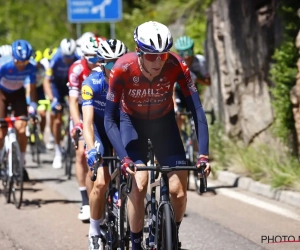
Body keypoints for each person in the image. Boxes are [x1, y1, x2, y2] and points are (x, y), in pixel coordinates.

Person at [104, 21, 211, 250]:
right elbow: (109, 118)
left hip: (164, 124)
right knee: (140, 183)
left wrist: (203, 155)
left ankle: (171, 235)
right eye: (152, 56)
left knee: (178, 191)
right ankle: (135, 243)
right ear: (140, 53)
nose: (159, 61)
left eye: (163, 55)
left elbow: (197, 110)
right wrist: (124, 159)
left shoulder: (177, 65)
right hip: (131, 122)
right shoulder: (122, 68)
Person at [82, 39, 127, 250]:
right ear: (101, 63)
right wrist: (91, 149)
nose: (114, 67)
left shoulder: (131, 79)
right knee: (101, 182)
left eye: (118, 62)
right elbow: (88, 123)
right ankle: (94, 231)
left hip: (122, 128)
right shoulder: (92, 83)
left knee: (139, 176)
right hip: (100, 131)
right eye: (110, 63)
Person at [68, 36, 102, 221]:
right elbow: (73, 102)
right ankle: (85, 202)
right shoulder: (76, 69)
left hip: (98, 109)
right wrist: (78, 124)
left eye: (97, 58)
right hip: (81, 111)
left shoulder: (103, 68)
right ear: (84, 57)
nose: (94, 62)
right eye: (90, 59)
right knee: (82, 153)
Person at [0, 39, 37, 181]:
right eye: (19, 62)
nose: (22, 65)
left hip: (18, 94)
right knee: (1, 133)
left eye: (25, 62)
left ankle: (21, 164)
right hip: (1, 94)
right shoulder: (3, 65)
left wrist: (32, 105)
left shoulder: (31, 67)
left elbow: (32, 89)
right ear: (13, 57)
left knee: (22, 128)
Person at [43, 38, 80, 169]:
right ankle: (58, 151)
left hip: (70, 85)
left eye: (70, 58)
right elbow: (47, 81)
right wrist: (53, 99)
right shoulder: (56, 58)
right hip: (57, 86)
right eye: (66, 57)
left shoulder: (78, 58)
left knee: (74, 109)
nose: (68, 60)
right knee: (57, 120)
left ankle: (70, 134)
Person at [173, 35, 211, 134]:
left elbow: (208, 83)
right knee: (180, 117)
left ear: (193, 51)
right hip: (177, 92)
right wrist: (175, 107)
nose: (186, 56)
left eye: (188, 52)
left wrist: (196, 78)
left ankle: (194, 147)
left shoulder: (200, 61)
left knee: (196, 124)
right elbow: (171, 90)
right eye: (182, 53)